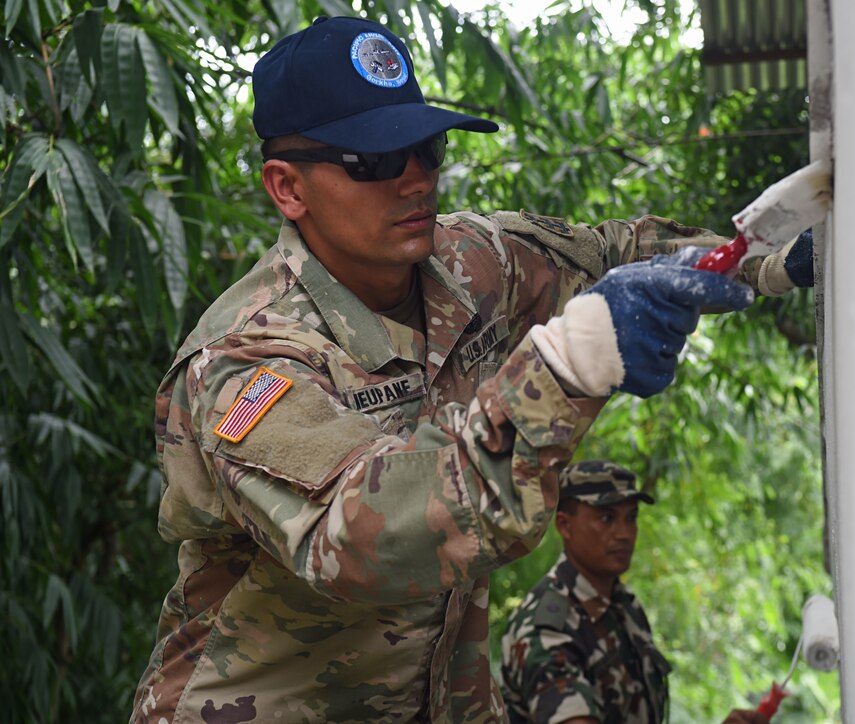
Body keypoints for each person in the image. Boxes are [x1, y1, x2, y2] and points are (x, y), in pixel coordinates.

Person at [129, 14, 811, 724]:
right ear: (287, 187)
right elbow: (368, 532)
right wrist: (572, 363)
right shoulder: (245, 363)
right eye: (374, 161)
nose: (416, 179)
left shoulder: (470, 267)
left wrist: (766, 263)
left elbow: (613, 253)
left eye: (427, 147)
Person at [499, 461, 770, 724]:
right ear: (565, 526)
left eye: (631, 518)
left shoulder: (622, 606)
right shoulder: (546, 626)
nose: (625, 533)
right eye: (606, 518)